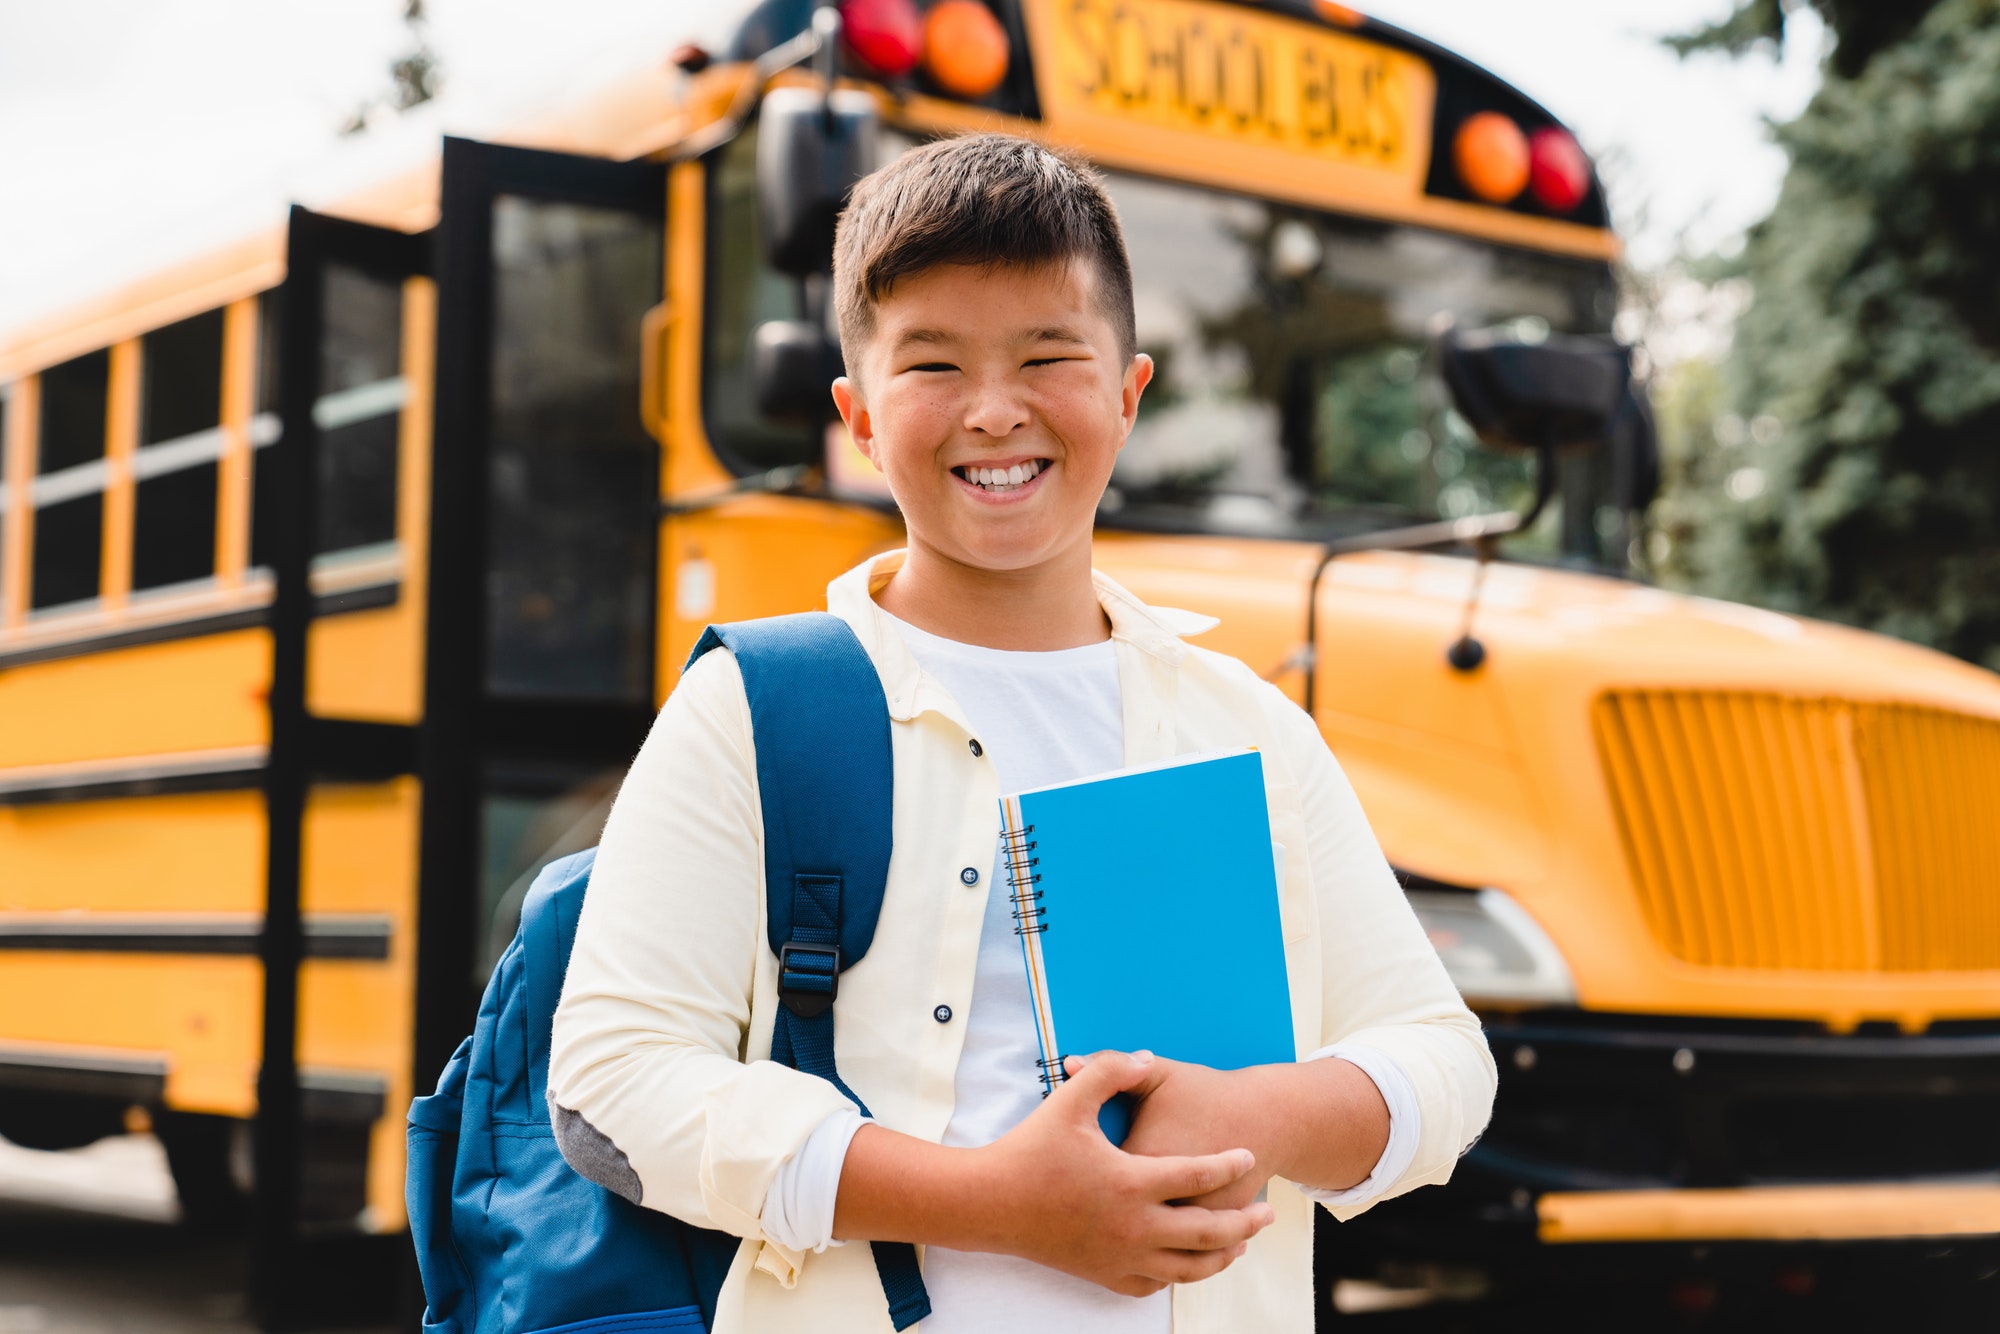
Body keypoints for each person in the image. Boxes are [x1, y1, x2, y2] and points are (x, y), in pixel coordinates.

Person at [548, 132, 1496, 1333]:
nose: (994, 412)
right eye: (931, 365)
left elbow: (1443, 1060)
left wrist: (1249, 1113)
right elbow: (614, 1079)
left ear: (1126, 391)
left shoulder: (1249, 729)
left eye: (1048, 354)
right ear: (855, 414)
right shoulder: (756, 708)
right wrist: (993, 1201)